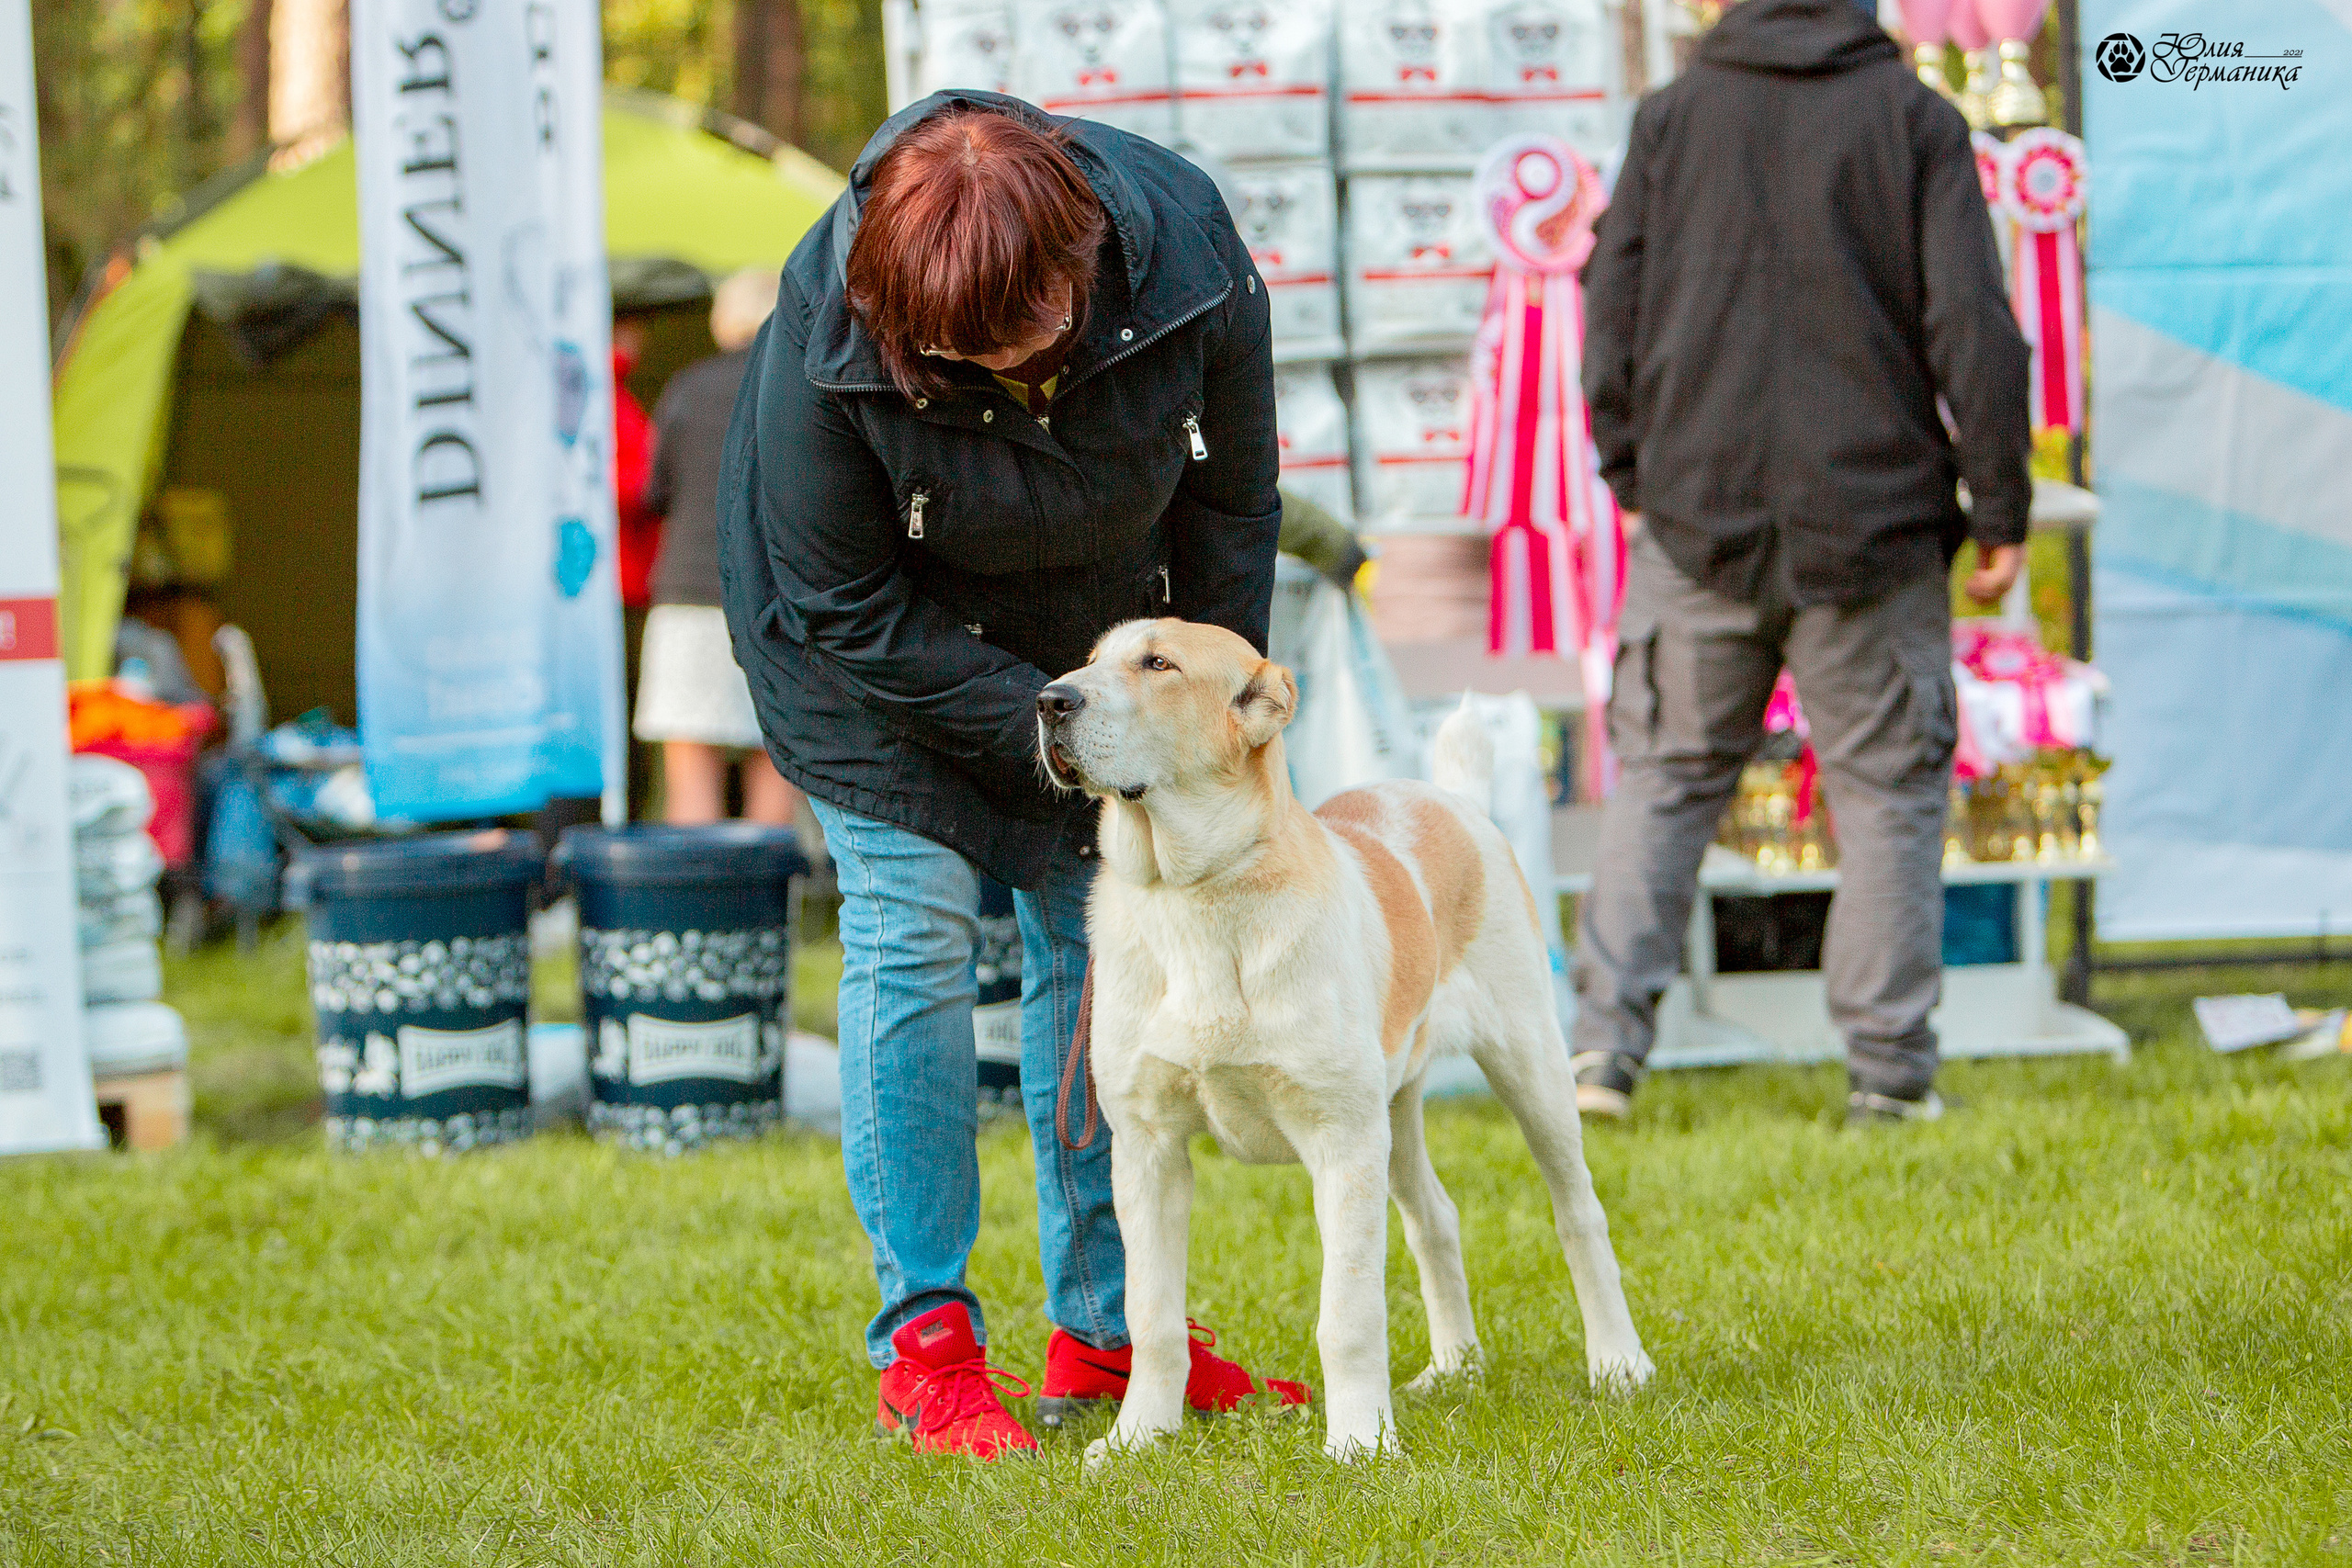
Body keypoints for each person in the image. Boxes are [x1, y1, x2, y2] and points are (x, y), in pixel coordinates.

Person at [718, 91, 1295, 1458]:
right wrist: (1051, 727)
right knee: (912, 930)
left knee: (1095, 951)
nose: (991, 376)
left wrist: (1204, 724)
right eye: (954, 359)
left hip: (1095, 641)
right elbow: (846, 606)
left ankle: (1108, 1328)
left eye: (1012, 341)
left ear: (1074, 259)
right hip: (867, 661)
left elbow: (1234, 505)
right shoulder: (830, 320)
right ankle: (927, 1340)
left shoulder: (1192, 255)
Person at [1573, 0, 2030, 1126]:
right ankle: (1887, 1076)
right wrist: (1999, 499)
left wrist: (1635, 475)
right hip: (1873, 523)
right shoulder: (1915, 116)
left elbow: (1607, 305)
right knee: (1886, 797)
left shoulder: (1673, 115)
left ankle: (1599, 1062)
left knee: (1670, 781)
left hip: (1695, 519)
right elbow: (1973, 321)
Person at [634, 272, 803, 828]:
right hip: (778, 600)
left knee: (691, 771)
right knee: (777, 764)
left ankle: (702, 908)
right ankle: (770, 912)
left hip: (687, 595)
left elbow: (653, 491)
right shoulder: (801, 383)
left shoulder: (687, 385)